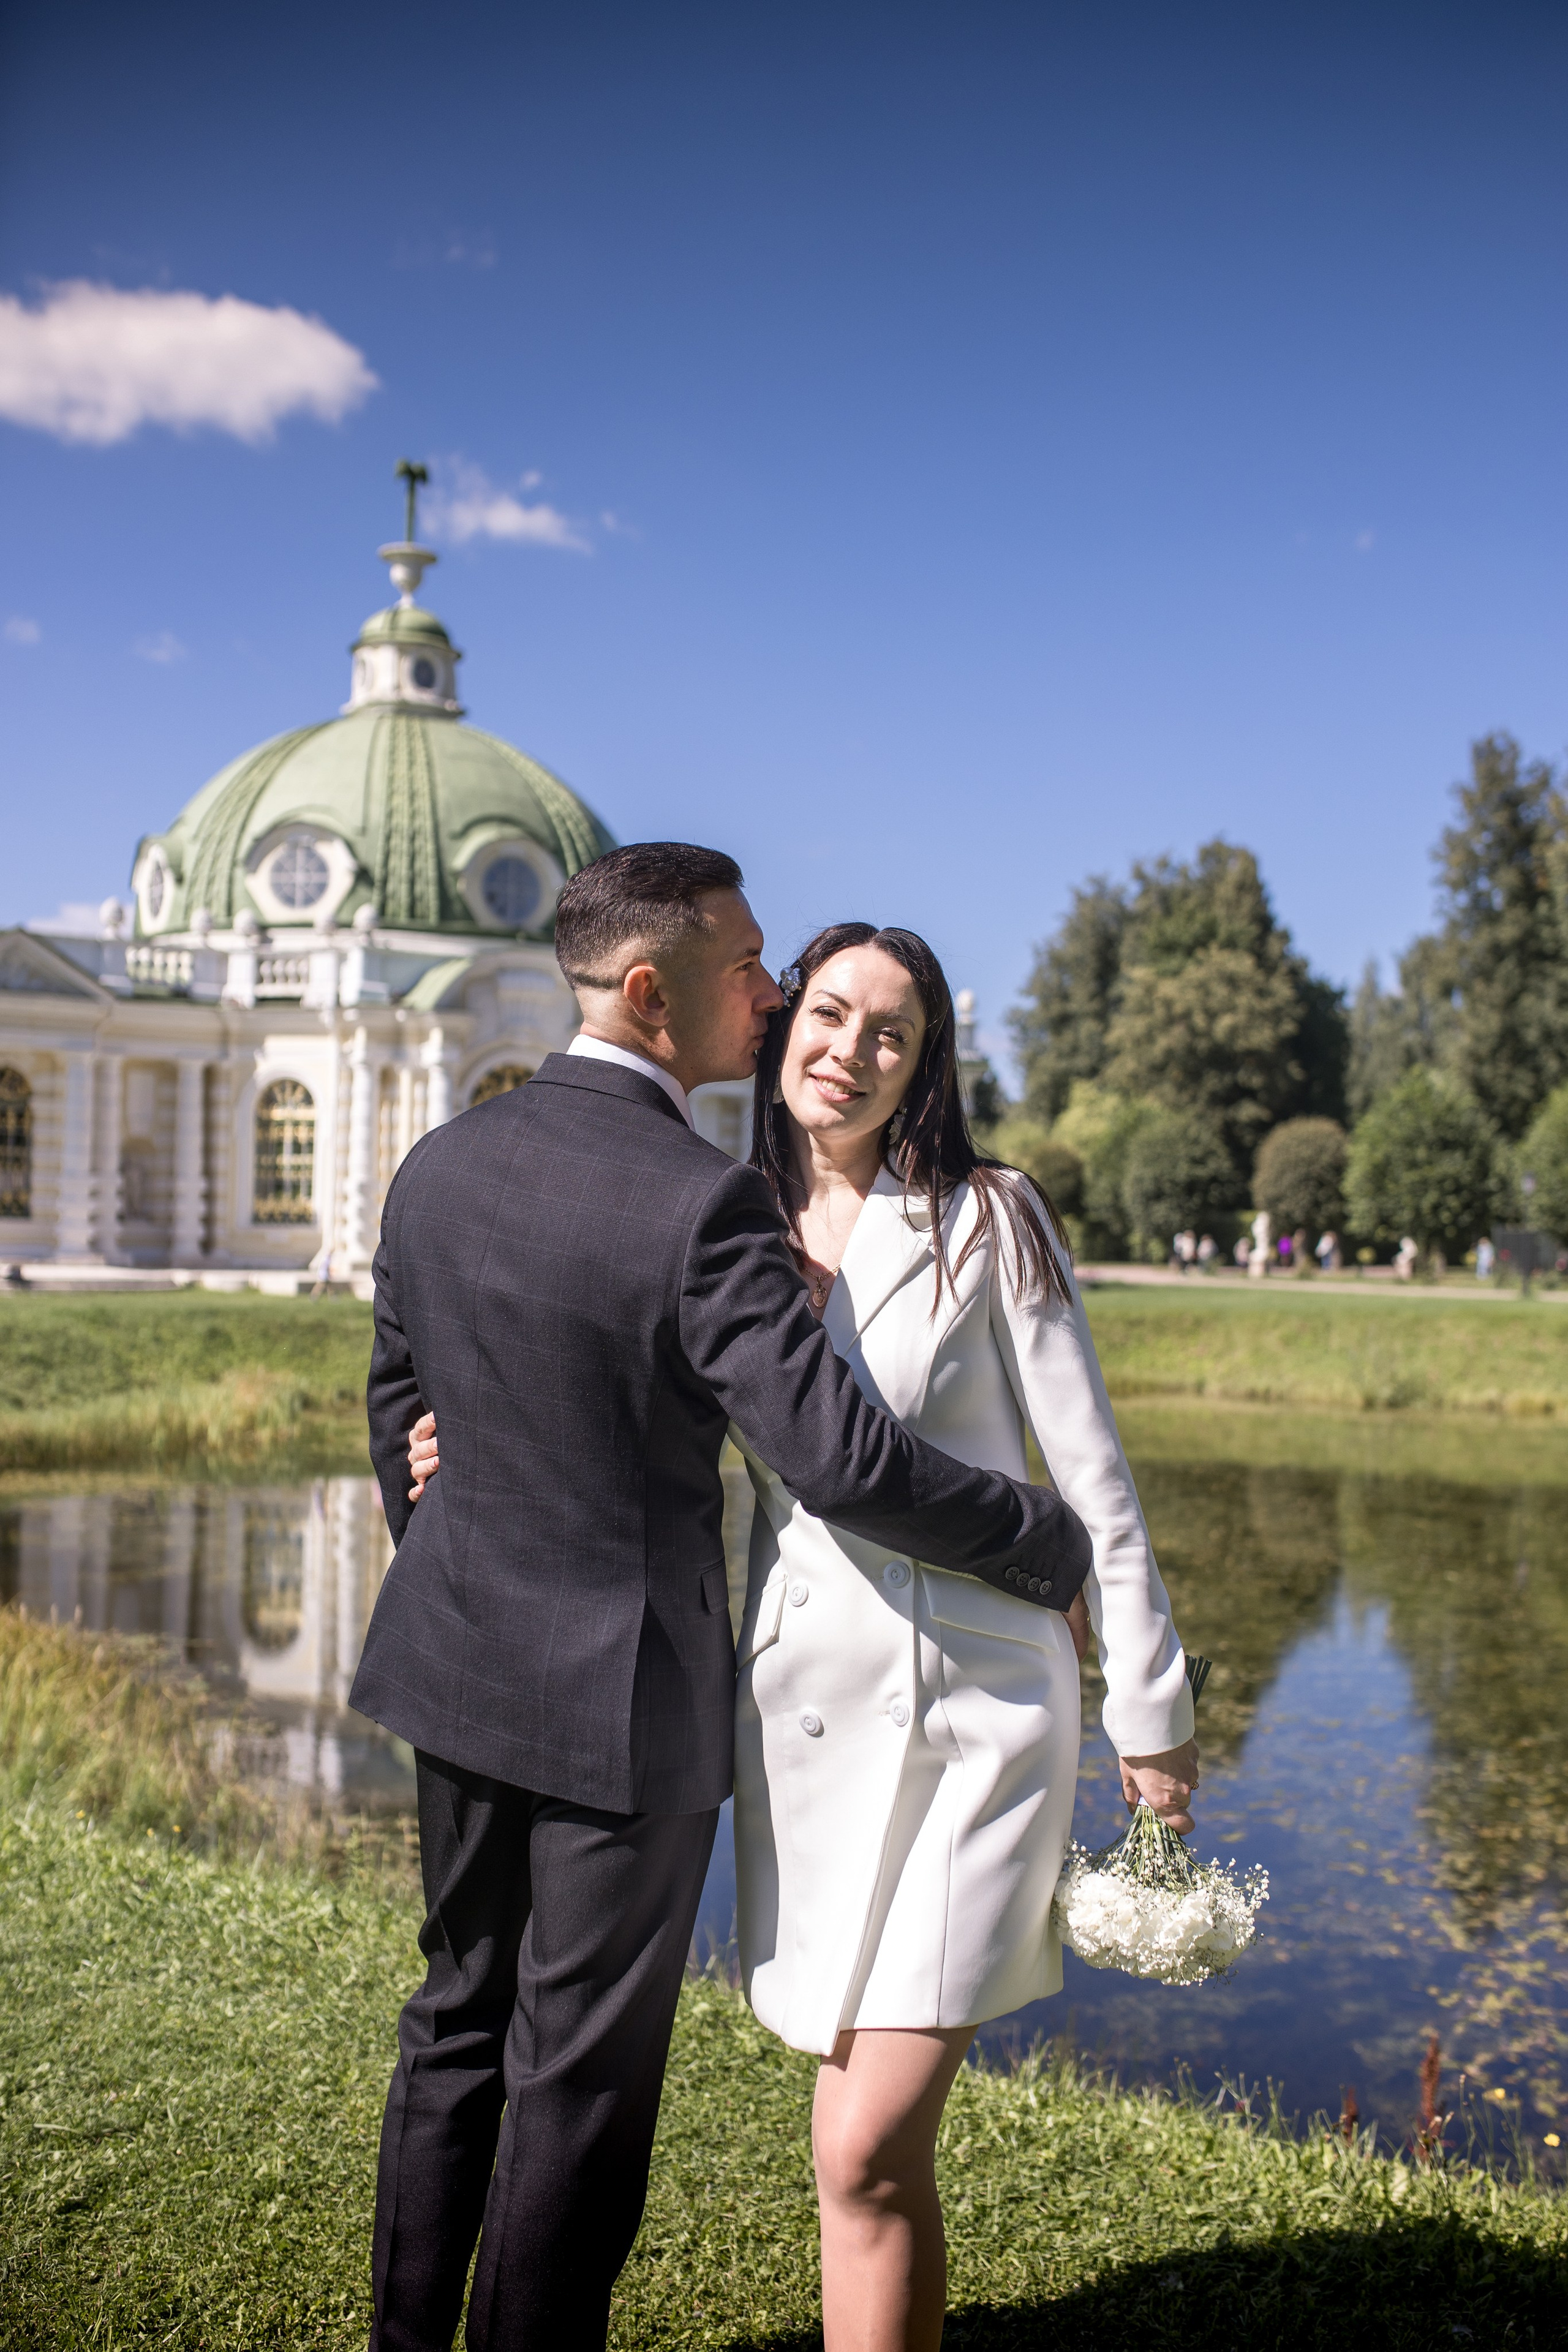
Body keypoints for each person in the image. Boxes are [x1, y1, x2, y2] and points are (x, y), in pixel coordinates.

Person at [410, 921, 1197, 2352]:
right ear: (781, 1030)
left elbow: (1093, 1480)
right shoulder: (710, 1217)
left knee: (862, 2142)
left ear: (923, 1065)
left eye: (891, 1033)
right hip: (800, 1733)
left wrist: (1149, 1712)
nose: (851, 1051)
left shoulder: (990, 1219)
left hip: (980, 1724)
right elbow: (592, 1405)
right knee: (861, 2161)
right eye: (828, 1014)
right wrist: (449, 1440)